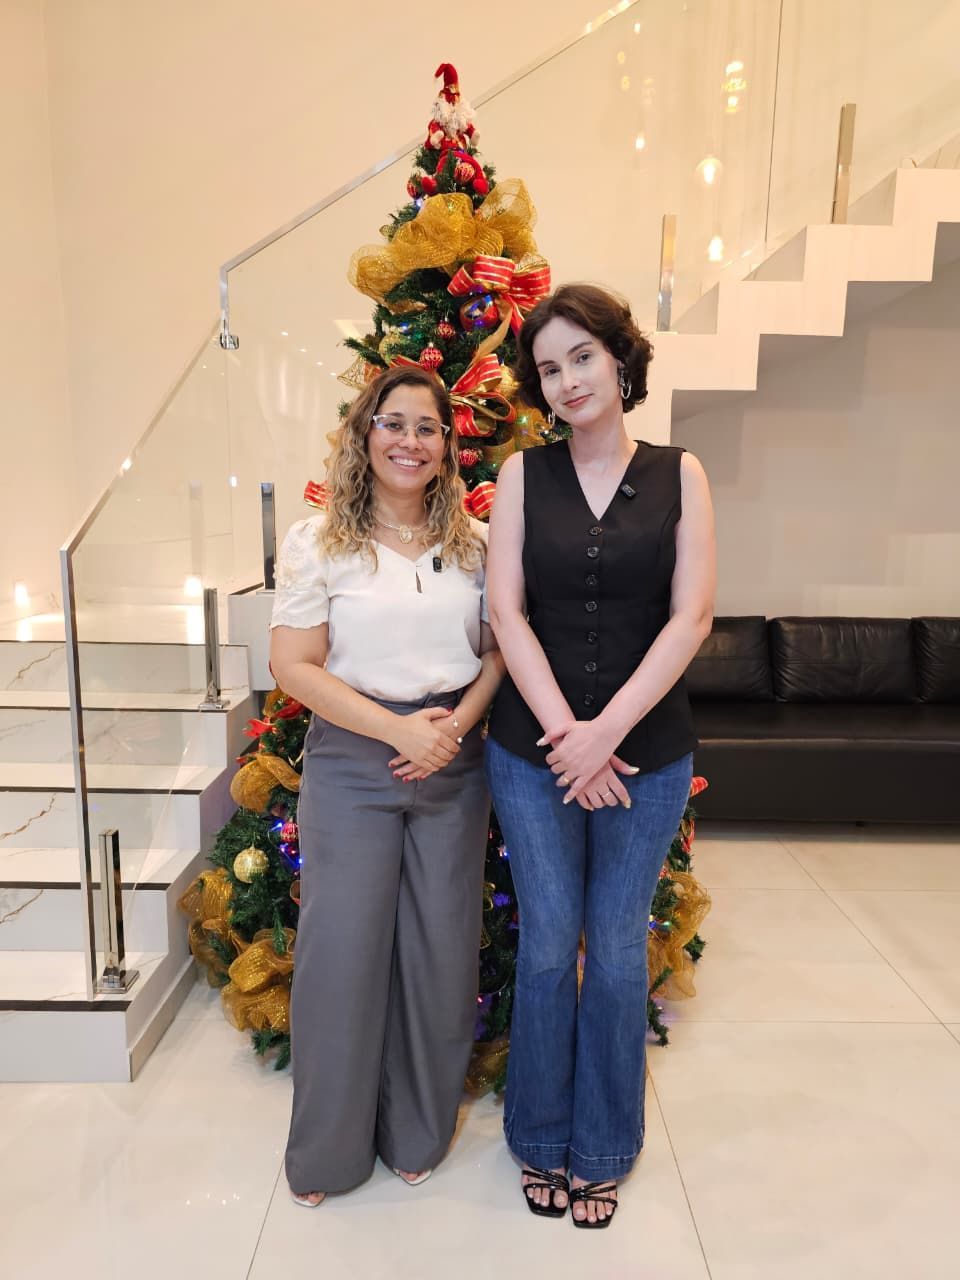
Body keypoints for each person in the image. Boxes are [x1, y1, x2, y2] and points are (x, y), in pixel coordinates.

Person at [485, 283, 716, 1228]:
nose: (568, 380)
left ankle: (606, 1148)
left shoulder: (680, 473)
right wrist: (566, 741)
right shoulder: (520, 476)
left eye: (583, 356)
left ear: (621, 360)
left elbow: (690, 616)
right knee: (547, 944)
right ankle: (539, 1137)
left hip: (646, 755)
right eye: (549, 368)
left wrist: (605, 735)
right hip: (531, 752)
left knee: (617, 950)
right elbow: (507, 612)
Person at [269, 364, 503, 1207]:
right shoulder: (319, 541)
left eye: (427, 427)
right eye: (393, 423)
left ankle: (417, 1133)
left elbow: (498, 651)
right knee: (341, 954)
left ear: (447, 445)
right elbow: (293, 666)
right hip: (353, 762)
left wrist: (454, 726)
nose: (410, 441)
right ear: (365, 435)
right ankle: (328, 1154)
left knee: (441, 950)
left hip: (452, 760)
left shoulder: (477, 545)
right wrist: (398, 731)